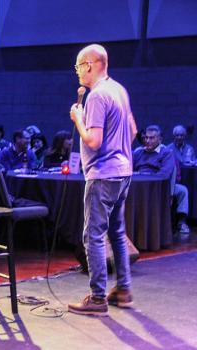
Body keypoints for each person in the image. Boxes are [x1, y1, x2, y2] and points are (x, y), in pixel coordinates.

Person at [68, 44, 138, 317]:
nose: (77, 72)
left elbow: (93, 141)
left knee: (93, 236)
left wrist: (78, 119)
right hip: (123, 172)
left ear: (89, 64)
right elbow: (132, 131)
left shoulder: (97, 96)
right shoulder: (119, 90)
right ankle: (124, 289)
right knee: (117, 233)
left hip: (102, 175)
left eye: (77, 66)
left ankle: (97, 298)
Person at [133, 125, 190, 235]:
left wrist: (144, 175)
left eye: (152, 138)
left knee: (183, 190)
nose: (147, 141)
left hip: (159, 187)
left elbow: (164, 174)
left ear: (160, 139)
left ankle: (181, 221)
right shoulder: (138, 152)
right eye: (146, 138)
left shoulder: (166, 152)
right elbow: (128, 169)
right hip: (139, 186)